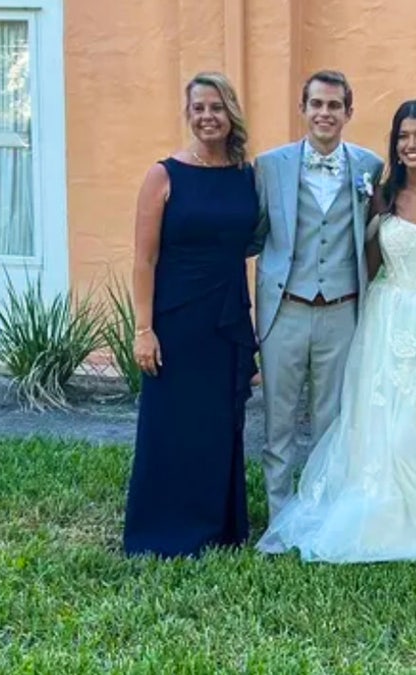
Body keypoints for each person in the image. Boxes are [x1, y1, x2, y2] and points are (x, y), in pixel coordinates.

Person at [255, 98, 416, 564]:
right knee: (385, 419)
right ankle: (384, 507)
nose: (411, 145)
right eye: (402, 136)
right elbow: (367, 263)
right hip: (387, 317)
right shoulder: (382, 194)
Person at [122, 72, 259, 558]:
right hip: (175, 319)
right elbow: (144, 259)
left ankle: (218, 527)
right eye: (199, 108)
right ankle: (161, 530)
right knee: (171, 423)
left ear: (231, 114)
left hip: (226, 319)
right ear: (189, 114)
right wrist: (144, 329)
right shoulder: (164, 174)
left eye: (217, 107)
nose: (208, 117)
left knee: (221, 422)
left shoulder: (247, 175)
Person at [247, 70, 385, 538]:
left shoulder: (370, 166)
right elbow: (254, 233)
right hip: (285, 307)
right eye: (317, 105)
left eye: (334, 106)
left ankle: (322, 517)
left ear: (349, 112)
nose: (325, 114)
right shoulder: (269, 166)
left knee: (331, 423)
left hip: (342, 310)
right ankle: (279, 519)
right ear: (302, 109)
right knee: (278, 420)